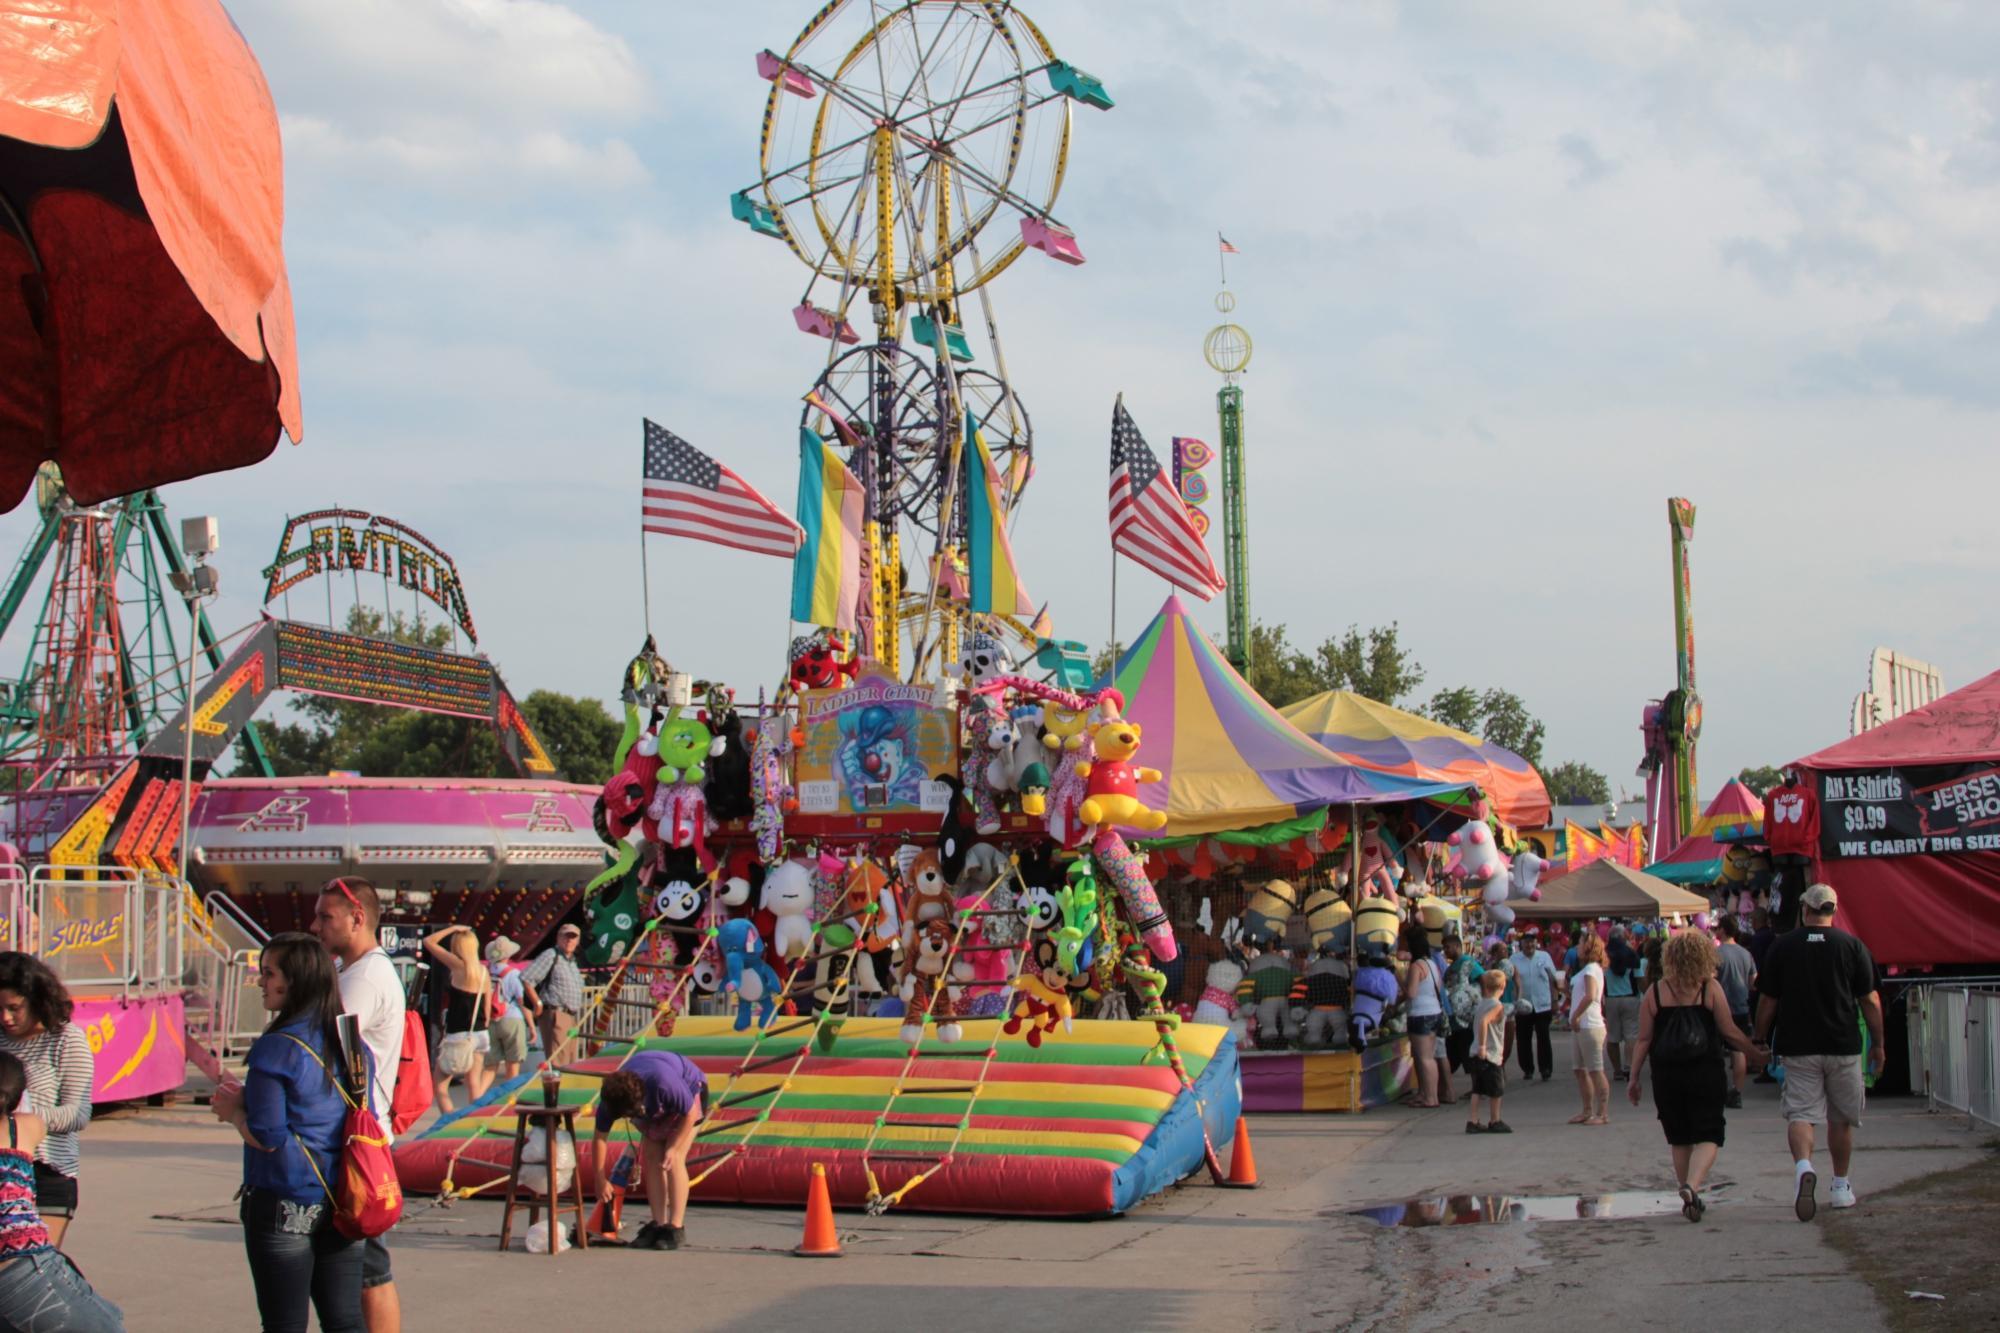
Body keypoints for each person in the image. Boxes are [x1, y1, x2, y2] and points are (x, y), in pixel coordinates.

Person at [212, 934, 368, 1333]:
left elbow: (268, 1135)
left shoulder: (276, 1047)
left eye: (268, 974)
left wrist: (232, 1112)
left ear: (294, 980)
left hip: (284, 1198)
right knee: (345, 1320)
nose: (260, 982)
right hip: (345, 1195)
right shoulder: (351, 1041)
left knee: (284, 1324)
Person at [1752, 884, 1883, 1220]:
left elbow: (1768, 999)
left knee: (1801, 1114)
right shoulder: (1852, 946)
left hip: (1799, 1045)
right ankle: (1840, 1186)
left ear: (1804, 910)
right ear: (1833, 911)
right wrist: (1879, 1044)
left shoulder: (1783, 947)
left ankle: (1804, 1167)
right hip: (1842, 1044)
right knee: (1840, 1119)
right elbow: (1869, 1000)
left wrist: (1760, 1037)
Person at [311, 877, 404, 1333]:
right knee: (365, 1269)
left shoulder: (364, 977)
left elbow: (323, 1048)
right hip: (362, 1133)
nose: (316, 926)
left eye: (326, 917)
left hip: (356, 1140)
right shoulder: (364, 970)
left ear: (357, 918)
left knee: (369, 1272)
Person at [1626, 928, 1761, 1223]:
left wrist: (1634, 1077)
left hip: (1667, 1075)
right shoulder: (1709, 988)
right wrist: (1755, 1053)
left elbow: (1644, 1039)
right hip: (1705, 1071)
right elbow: (1729, 1031)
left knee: (1680, 1137)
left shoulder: (1655, 992)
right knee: (1710, 1133)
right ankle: (1692, 1186)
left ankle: (1687, 1197)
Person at [0, 1050, 123, 1330]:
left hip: (18, 1269)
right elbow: (30, 1114)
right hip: (20, 1261)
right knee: (107, 1325)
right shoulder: (25, 1126)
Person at [0, 953, 92, 1248]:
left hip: (49, 1176)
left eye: (14, 1008)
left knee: (31, 1272)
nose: (5, 1017)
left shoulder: (66, 1039)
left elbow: (78, 1113)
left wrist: (24, 1122)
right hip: (4, 1173)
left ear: (36, 998)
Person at [590, 1050, 709, 1250]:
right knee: (652, 1157)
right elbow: (600, 1138)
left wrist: (674, 1147)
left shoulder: (662, 1082)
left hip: (690, 1093)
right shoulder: (611, 1100)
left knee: (674, 1159)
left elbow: (689, 1114)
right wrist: (599, 1178)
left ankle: (675, 1228)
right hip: (653, 1105)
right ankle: (658, 1223)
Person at [425, 926, 493, 1113]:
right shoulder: (483, 972)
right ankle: (477, 1120)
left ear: (458, 947)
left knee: (440, 1085)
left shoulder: (458, 966)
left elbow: (429, 942)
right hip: (479, 1033)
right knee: (474, 1085)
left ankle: (449, 1121)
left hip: (458, 1034)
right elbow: (487, 1010)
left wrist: (453, 928)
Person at [1399, 922, 1448, 1108]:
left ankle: (1431, 1097)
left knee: (1425, 1057)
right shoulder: (1432, 964)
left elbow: (1411, 993)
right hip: (1433, 1012)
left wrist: (1399, 980)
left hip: (1421, 1014)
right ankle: (1425, 1094)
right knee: (1423, 1057)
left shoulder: (1416, 967)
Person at [523, 924, 586, 1067]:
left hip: (570, 1016)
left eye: (573, 937)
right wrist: (537, 1003)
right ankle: (555, 1089)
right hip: (556, 1013)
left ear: (577, 941)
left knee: (569, 1062)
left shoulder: (572, 961)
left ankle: (563, 1088)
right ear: (558, 938)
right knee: (558, 1062)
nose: (569, 941)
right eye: (566, 937)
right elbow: (527, 978)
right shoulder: (551, 955)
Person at [1713, 916, 1757, 1109]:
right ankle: (1736, 1091)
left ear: (1722, 930)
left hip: (1718, 1008)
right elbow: (1753, 982)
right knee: (1738, 1051)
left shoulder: (1716, 953)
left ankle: (1718, 1090)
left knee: (1715, 1051)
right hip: (1741, 1007)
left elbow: (1709, 980)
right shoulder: (1746, 954)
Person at [1567, 934, 1610, 1124]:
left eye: (1581, 943)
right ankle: (1587, 1110)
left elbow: (1591, 996)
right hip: (1581, 1027)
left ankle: (1602, 1113)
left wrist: (1576, 1015)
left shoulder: (1591, 970)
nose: (1578, 946)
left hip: (1589, 1025)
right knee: (1580, 1069)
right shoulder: (1586, 969)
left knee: (1595, 1069)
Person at [1510, 933, 1562, 1081]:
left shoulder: (1544, 957)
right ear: (1521, 945)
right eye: (1526, 943)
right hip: (1523, 1004)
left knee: (1543, 1037)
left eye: (1532, 943)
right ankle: (1527, 1069)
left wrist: (1555, 1000)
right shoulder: (1514, 959)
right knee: (1523, 1039)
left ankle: (1545, 1068)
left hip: (1543, 1004)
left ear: (1536, 943)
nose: (1530, 946)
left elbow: (1553, 979)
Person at [1465, 969, 1511, 1134]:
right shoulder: (1497, 1006)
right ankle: (1495, 1119)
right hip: (1489, 1055)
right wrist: (1483, 1046)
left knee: (1477, 1089)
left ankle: (1473, 1120)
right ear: (1503, 986)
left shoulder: (1482, 1003)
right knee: (1496, 1090)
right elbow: (1485, 1022)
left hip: (1475, 1053)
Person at [484, 937, 529, 1084]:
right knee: (513, 1064)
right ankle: (509, 1096)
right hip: (512, 1018)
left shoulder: (486, 973)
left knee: (490, 1067)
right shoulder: (514, 974)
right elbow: (522, 1001)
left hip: (490, 1019)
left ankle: (477, 1097)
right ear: (508, 955)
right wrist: (532, 1026)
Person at [1441, 934, 1485, 1081]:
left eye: (1447, 947)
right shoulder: (1450, 967)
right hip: (1453, 1019)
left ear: (1457, 946)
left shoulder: (1467, 962)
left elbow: (1483, 979)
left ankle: (1477, 1088)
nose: (1445, 951)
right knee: (1452, 1054)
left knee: (1469, 1054)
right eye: (1444, 948)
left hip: (1467, 1018)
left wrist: (1482, 1004)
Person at [1604, 926, 1643, 1080]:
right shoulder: (1632, 955)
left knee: (1612, 1037)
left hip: (1611, 998)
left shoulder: (1605, 954)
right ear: (1624, 937)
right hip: (1630, 998)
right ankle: (1629, 1067)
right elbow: (1639, 979)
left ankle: (1617, 1070)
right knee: (1631, 1035)